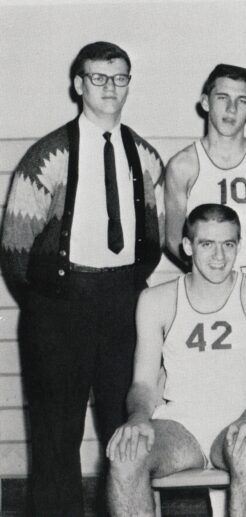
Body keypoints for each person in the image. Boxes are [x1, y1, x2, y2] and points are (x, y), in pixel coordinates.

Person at [0, 41, 163, 516]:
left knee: (125, 433)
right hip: (57, 308)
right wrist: (51, 301)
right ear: (79, 84)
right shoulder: (47, 157)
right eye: (98, 78)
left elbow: (154, 237)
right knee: (56, 437)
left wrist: (123, 290)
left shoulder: (145, 157)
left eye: (120, 78)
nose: (110, 87)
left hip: (123, 306)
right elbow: (15, 251)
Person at [106, 204, 246, 516]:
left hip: (238, 418)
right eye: (207, 244)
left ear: (239, 245)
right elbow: (143, 383)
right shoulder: (156, 300)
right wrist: (138, 418)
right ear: (188, 246)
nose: (219, 256)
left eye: (228, 244)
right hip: (180, 425)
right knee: (126, 455)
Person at [163, 64, 246, 294]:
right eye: (222, 98)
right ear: (205, 102)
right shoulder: (183, 165)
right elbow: (174, 239)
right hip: (207, 280)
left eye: (242, 101)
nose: (231, 109)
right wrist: (210, 271)